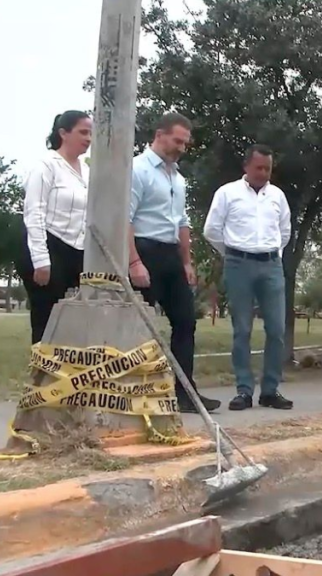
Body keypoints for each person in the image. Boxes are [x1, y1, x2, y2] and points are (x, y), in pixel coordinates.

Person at [129, 112, 221, 413]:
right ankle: (133, 394)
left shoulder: (177, 178)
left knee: (185, 321)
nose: (181, 147)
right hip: (144, 250)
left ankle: (185, 393)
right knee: (140, 326)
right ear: (160, 134)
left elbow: (182, 222)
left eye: (185, 143)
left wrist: (187, 262)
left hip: (171, 254)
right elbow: (124, 219)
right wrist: (134, 262)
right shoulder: (137, 169)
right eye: (177, 140)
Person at [204, 144, 293, 411]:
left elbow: (284, 231)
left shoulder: (277, 196)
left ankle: (270, 390)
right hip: (238, 264)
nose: (264, 173)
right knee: (242, 329)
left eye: (268, 168)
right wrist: (232, 253)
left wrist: (274, 252)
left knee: (276, 329)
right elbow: (211, 230)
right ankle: (244, 390)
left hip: (270, 265)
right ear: (246, 167)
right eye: (259, 168)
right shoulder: (227, 193)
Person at [17, 111, 91, 345]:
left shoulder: (88, 171)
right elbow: (34, 212)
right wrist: (41, 260)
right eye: (82, 132)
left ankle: (68, 378)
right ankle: (43, 376)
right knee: (46, 321)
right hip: (49, 245)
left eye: (91, 133)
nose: (88, 138)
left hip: (77, 249)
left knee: (74, 322)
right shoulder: (46, 166)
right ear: (63, 133)